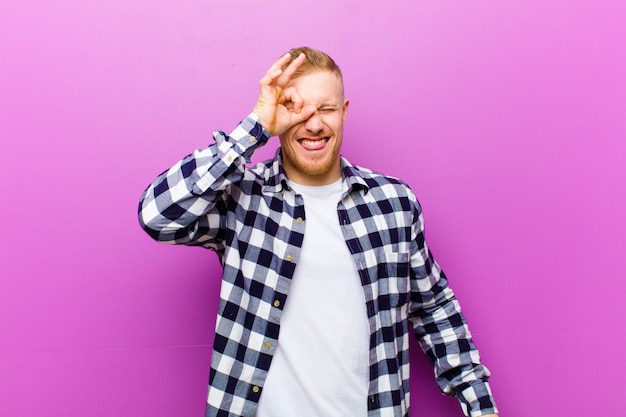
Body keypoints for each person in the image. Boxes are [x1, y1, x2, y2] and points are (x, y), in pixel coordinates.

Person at [138, 47, 498, 417]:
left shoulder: (393, 202)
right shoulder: (242, 197)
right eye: (297, 109)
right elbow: (157, 215)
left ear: (343, 112)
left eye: (325, 109)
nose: (313, 124)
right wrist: (254, 128)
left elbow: (433, 306)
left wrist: (480, 404)